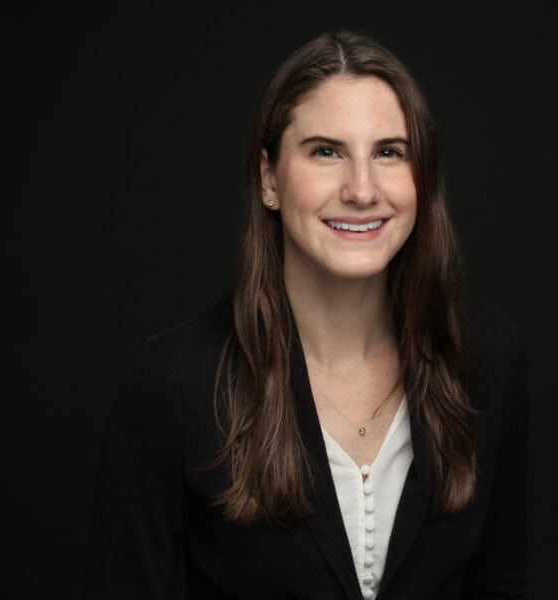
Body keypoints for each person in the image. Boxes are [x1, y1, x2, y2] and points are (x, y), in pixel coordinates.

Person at [84, 30, 528, 599]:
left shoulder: (486, 356)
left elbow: (499, 584)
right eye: (326, 151)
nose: (362, 190)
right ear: (269, 178)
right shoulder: (175, 381)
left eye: (390, 152)